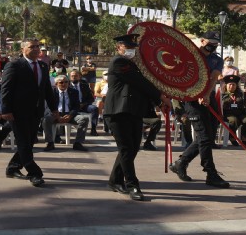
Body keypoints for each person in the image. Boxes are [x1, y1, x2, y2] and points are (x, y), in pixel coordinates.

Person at [105, 34, 169, 201]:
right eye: (128, 47)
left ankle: (115, 180)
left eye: (133, 48)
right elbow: (140, 82)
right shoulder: (119, 62)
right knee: (127, 148)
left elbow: (141, 87)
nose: (132, 51)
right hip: (118, 112)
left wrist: (159, 101)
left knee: (132, 148)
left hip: (133, 112)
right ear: (119, 47)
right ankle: (133, 185)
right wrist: (160, 96)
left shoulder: (133, 65)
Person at [170, 31, 229, 188]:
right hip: (192, 100)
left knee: (208, 137)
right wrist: (197, 95)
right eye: (210, 42)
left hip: (207, 99)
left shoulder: (216, 59)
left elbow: (214, 77)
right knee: (203, 136)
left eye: (216, 44)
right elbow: (181, 76)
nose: (213, 46)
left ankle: (181, 163)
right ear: (202, 41)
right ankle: (210, 173)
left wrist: (207, 94)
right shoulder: (189, 56)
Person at [0, 39, 57, 187]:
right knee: (23, 142)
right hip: (17, 111)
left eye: (38, 47)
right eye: (32, 47)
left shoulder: (43, 66)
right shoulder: (14, 65)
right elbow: (6, 89)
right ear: (23, 49)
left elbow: (47, 90)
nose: (36, 49)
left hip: (36, 110)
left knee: (30, 141)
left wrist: (54, 108)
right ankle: (34, 173)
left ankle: (13, 168)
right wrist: (6, 110)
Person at [43, 75, 89, 152]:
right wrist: (57, 116)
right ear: (56, 84)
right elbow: (48, 106)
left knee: (84, 119)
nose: (64, 84)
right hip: (55, 113)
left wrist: (70, 115)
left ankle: (78, 143)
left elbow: (76, 106)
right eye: (61, 82)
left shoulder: (74, 92)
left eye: (66, 82)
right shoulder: (52, 92)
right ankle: (50, 142)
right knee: (45, 120)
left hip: (69, 114)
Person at [221, 75, 246, 145]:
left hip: (240, 113)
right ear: (226, 85)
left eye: (234, 85)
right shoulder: (222, 95)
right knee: (234, 120)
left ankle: (244, 138)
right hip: (228, 114)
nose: (231, 86)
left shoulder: (241, 94)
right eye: (230, 84)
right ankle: (232, 137)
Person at [69, 70, 100, 136]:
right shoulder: (67, 86)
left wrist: (83, 104)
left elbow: (91, 98)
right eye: (72, 76)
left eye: (76, 76)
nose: (74, 77)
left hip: (83, 105)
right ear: (70, 77)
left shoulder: (84, 86)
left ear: (79, 77)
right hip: (72, 107)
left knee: (94, 108)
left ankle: (93, 129)